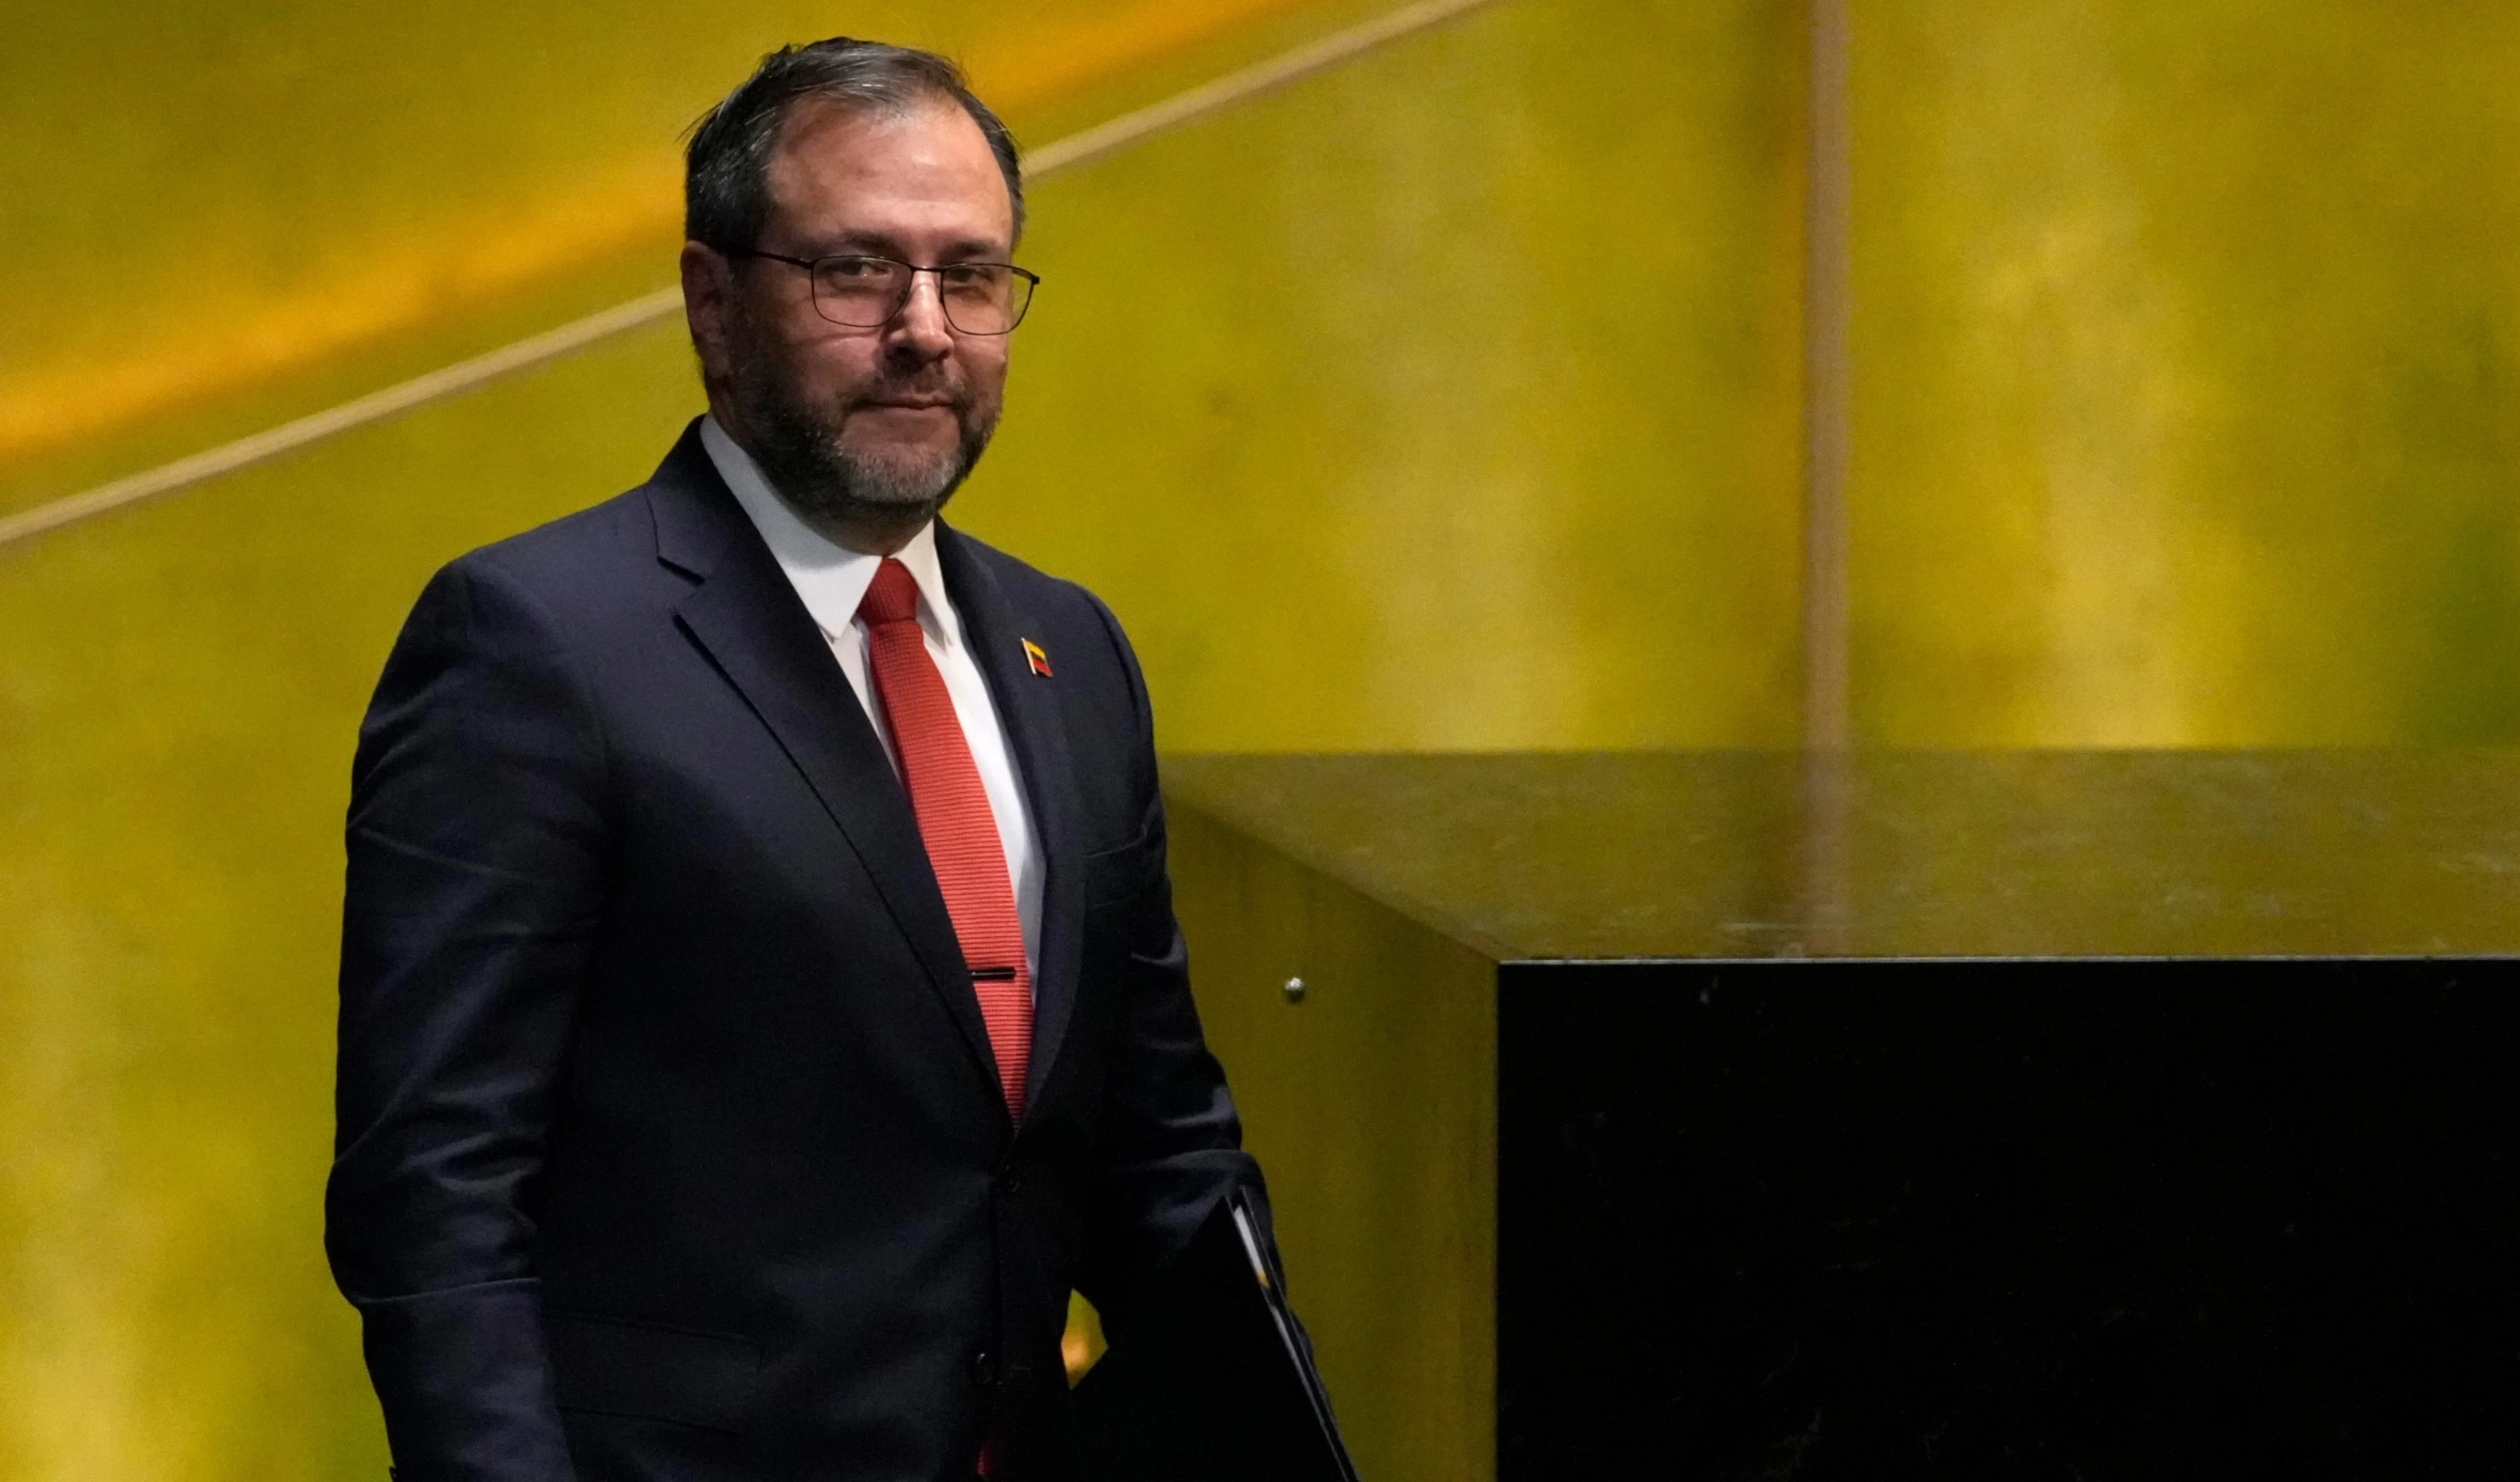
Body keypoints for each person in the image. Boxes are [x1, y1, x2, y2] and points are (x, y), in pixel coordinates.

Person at [325, 38, 1275, 1482]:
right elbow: (435, 1199)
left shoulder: (1070, 652)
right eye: (854, 271)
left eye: (970, 275)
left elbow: (1163, 1157)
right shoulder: (534, 644)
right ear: (715, 303)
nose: (924, 329)